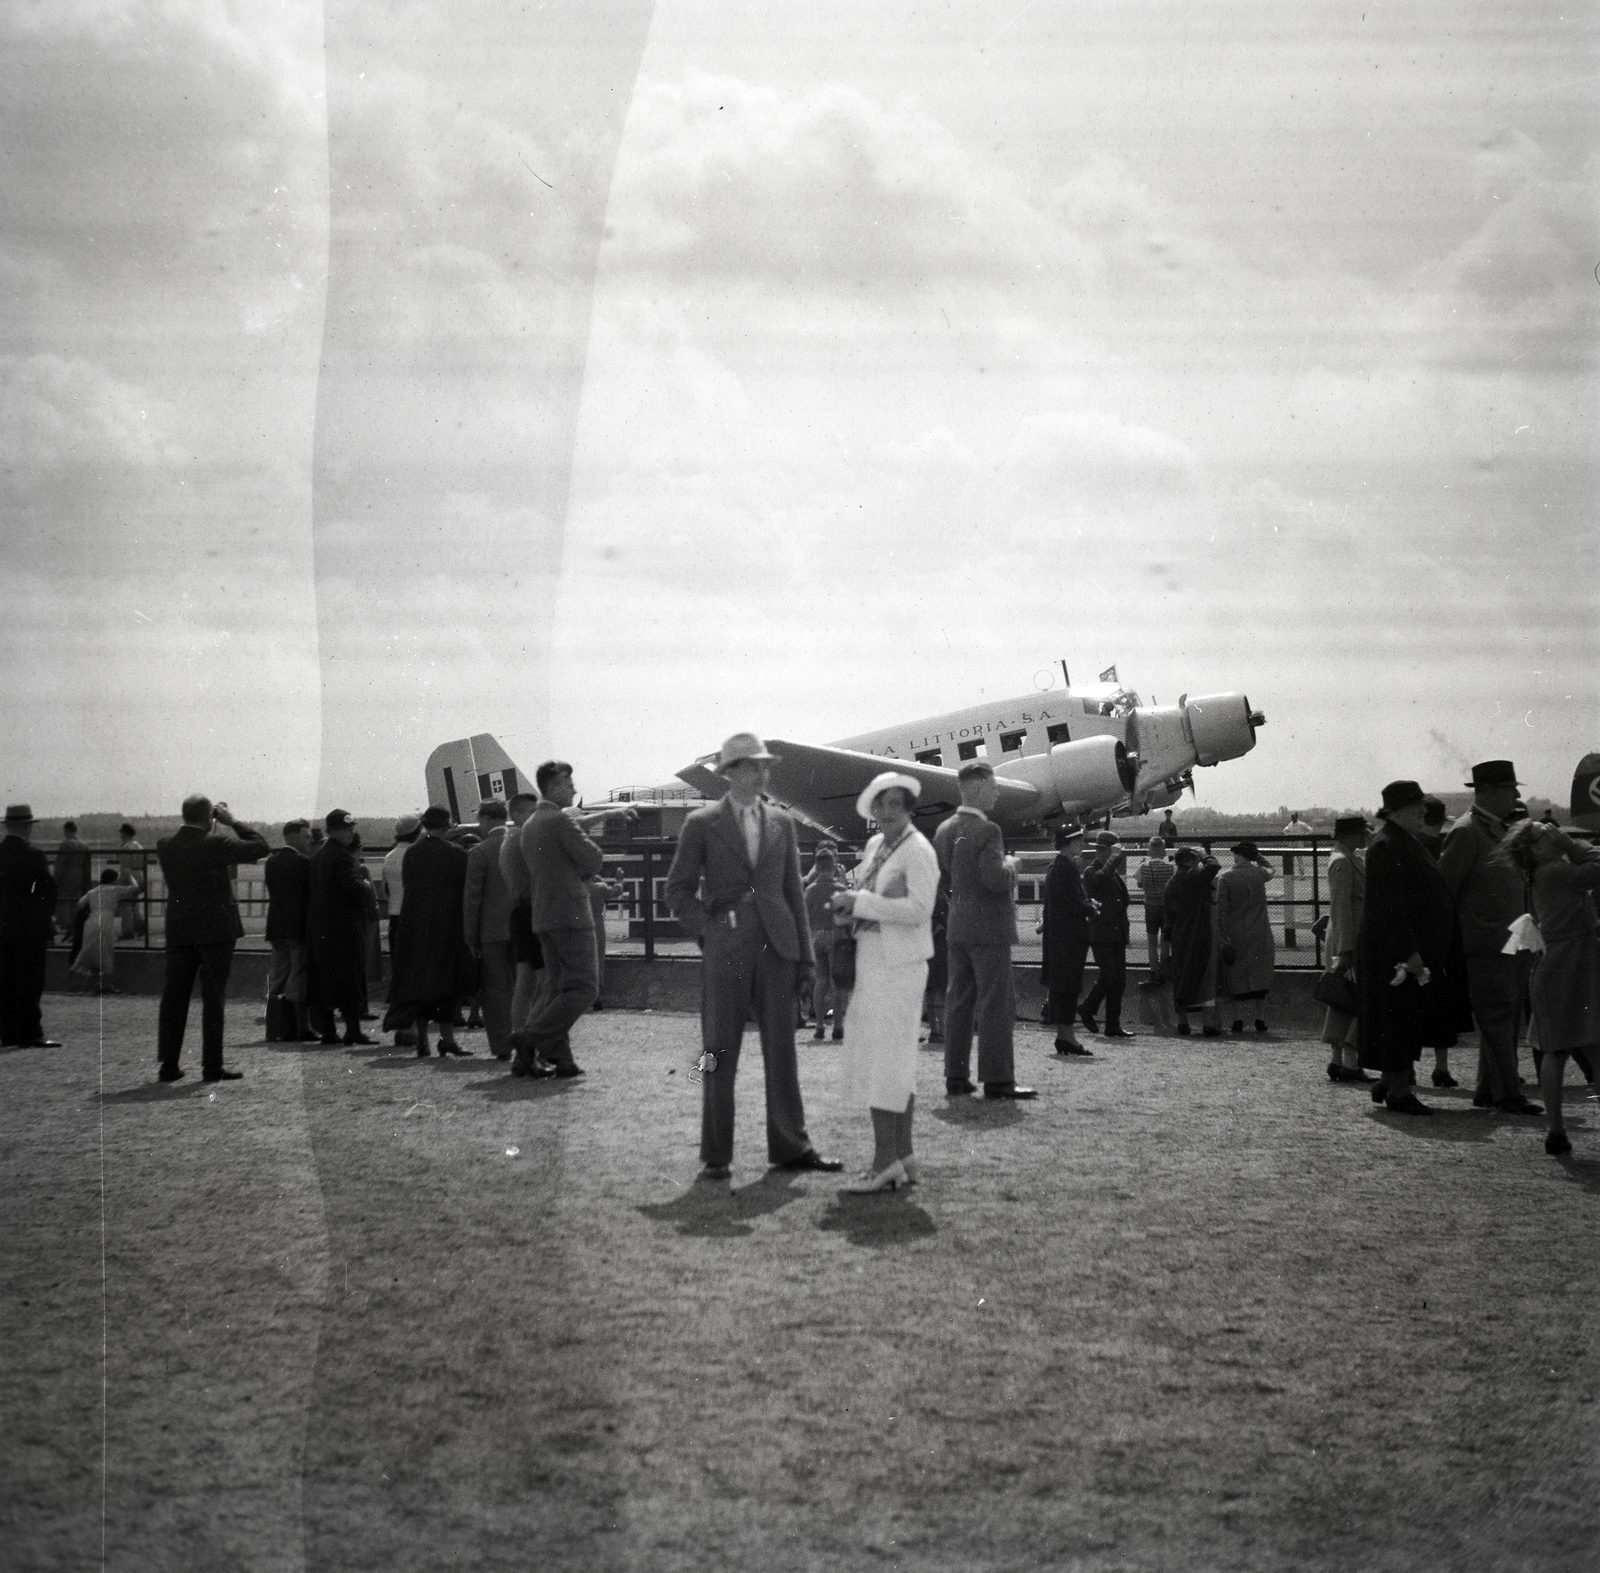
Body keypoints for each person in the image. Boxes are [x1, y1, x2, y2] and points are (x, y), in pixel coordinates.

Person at [663, 733, 841, 1179]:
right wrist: (709, 930)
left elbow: (793, 894)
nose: (764, 773)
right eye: (754, 765)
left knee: (783, 1049)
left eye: (766, 766)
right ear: (732, 772)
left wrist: (805, 956)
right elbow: (678, 890)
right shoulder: (701, 823)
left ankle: (791, 1146)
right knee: (717, 1049)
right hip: (727, 952)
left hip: (778, 949)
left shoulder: (782, 822)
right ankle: (716, 1154)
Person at [828, 773, 940, 1192]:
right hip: (872, 959)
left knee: (886, 1061)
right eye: (881, 804)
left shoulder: (919, 849)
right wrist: (849, 910)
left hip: (903, 964)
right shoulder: (877, 846)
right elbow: (876, 901)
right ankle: (904, 1154)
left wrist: (861, 902)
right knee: (889, 1059)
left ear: (910, 809)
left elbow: (919, 909)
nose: (888, 812)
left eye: (897, 804)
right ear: (872, 809)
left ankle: (884, 1161)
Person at [1356, 781, 1475, 1115]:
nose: (1424, 811)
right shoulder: (1387, 845)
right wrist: (1410, 953)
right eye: (1417, 805)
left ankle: (1392, 1082)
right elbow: (1390, 907)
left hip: (1407, 951)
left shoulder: (1403, 841)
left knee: (1406, 1019)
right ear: (1398, 810)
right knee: (1397, 1019)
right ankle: (1397, 1090)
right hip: (1396, 956)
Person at [1440, 760, 1542, 1114]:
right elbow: (1445, 890)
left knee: (1505, 1018)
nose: (1515, 796)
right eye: (1509, 789)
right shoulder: (1467, 831)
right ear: (1487, 792)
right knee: (1499, 1017)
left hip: (1511, 943)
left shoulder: (1494, 829)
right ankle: (1508, 1094)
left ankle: (1488, 1089)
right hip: (1485, 945)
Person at [934, 759, 1034, 1099]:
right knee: (995, 1003)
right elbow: (994, 880)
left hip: (957, 926)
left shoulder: (944, 829)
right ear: (976, 788)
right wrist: (1012, 865)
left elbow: (944, 880)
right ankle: (998, 1079)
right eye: (992, 786)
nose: (996, 792)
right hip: (989, 929)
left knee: (958, 1002)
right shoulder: (988, 831)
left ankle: (956, 1076)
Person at [155, 796, 270, 1082]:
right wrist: (231, 821)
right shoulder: (216, 843)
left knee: (174, 998)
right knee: (213, 999)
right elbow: (260, 846)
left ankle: (169, 1065)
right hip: (216, 930)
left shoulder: (165, 845)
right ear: (210, 816)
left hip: (180, 929)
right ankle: (212, 1066)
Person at [1503, 821, 1600, 1155]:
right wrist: (1571, 843)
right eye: (1547, 832)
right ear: (1538, 849)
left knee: (1556, 1050)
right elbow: (1597, 867)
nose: (1554, 831)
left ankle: (1556, 1130)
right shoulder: (1556, 871)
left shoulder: (1543, 873)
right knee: (1590, 1046)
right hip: (1573, 968)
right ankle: (1555, 1130)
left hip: (1559, 968)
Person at [507, 762, 603, 1078]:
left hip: (544, 916)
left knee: (555, 989)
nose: (574, 789)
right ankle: (529, 1039)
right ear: (556, 785)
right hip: (572, 915)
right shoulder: (559, 820)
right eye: (569, 783)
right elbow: (592, 859)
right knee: (585, 988)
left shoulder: (532, 822)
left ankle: (558, 1059)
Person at [391, 805, 474, 1057]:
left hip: (415, 926)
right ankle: (447, 1039)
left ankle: (423, 1041)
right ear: (447, 826)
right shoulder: (457, 853)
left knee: (420, 984)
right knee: (447, 985)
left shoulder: (412, 853)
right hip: (448, 927)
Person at [305, 809, 377, 1047]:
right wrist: (367, 886)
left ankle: (328, 1031)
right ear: (334, 831)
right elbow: (354, 888)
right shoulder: (344, 857)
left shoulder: (318, 855)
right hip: (344, 928)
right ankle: (353, 1031)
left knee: (323, 980)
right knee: (350, 979)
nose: (351, 832)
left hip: (320, 927)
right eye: (347, 829)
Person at [0, 805, 60, 1048]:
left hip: (3, 927)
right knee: (30, 981)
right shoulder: (33, 854)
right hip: (30, 928)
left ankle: (8, 1032)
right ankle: (30, 1031)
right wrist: (45, 915)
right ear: (27, 826)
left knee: (6, 979)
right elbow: (48, 890)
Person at [1320, 815, 1372, 1083]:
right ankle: (1349, 1062)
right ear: (1351, 834)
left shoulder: (1347, 858)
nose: (1366, 837)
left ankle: (1338, 1061)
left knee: (1343, 1000)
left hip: (1348, 939)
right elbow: (1341, 908)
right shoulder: (1343, 861)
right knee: (1352, 1000)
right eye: (1362, 832)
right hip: (1349, 940)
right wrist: (1346, 949)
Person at [464, 800, 516, 1060]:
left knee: (495, 991)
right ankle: (526, 1042)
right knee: (524, 988)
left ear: (485, 819)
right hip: (523, 929)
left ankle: (502, 1046)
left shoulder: (479, 852)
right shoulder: (520, 845)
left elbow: (472, 898)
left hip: (491, 932)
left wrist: (470, 936)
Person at [499, 793, 548, 1056]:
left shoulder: (511, 840)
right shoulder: (523, 839)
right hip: (533, 912)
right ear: (516, 815)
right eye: (531, 812)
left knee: (525, 983)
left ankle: (521, 1043)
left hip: (520, 914)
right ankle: (528, 1038)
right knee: (549, 984)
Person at [1039, 822, 1093, 1056]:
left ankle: (1064, 1036)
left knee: (1062, 988)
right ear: (1069, 842)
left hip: (1058, 938)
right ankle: (1067, 1037)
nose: (1082, 844)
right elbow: (1072, 905)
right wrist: (1089, 908)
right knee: (1069, 988)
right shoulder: (1067, 868)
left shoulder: (1055, 867)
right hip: (1069, 939)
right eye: (1078, 840)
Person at [1215, 840, 1276, 1033]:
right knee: (1261, 975)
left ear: (1238, 855)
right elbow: (1270, 868)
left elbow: (1221, 910)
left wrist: (1224, 935)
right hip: (1260, 931)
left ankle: (1237, 1019)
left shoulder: (1226, 877)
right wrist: (1258, 857)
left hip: (1235, 932)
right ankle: (1260, 1018)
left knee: (1235, 976)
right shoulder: (1260, 874)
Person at [1080, 830, 1134, 1040]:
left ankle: (1113, 1025)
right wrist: (1112, 860)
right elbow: (1097, 883)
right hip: (1101, 933)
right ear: (1103, 851)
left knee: (1118, 981)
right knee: (1109, 975)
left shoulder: (1114, 876)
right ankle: (1087, 1008)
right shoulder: (1091, 871)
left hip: (1116, 933)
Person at [264, 820, 315, 1040]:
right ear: (292, 837)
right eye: (306, 836)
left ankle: (275, 1027)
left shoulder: (271, 862)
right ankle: (300, 1027)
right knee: (298, 975)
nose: (310, 840)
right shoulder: (304, 863)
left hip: (276, 926)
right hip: (298, 927)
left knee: (278, 977)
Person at [1165, 846, 1222, 1036]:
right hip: (1200, 932)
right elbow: (1214, 866)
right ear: (1188, 861)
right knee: (1205, 977)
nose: (1198, 861)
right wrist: (1205, 855)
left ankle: (1183, 1022)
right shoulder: (1195, 876)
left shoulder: (1171, 883)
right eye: (1195, 858)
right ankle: (1208, 1024)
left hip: (1179, 935)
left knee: (1182, 978)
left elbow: (1168, 916)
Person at [804, 843, 851, 1041]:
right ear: (833, 866)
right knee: (837, 983)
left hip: (816, 936)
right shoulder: (840, 889)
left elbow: (805, 917)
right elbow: (847, 919)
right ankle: (838, 1025)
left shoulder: (810, 890)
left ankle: (820, 1025)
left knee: (820, 981)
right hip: (836, 935)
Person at [72, 867, 139, 992]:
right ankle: (106, 985)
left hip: (91, 920)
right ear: (114, 879)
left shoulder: (93, 891)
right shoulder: (115, 890)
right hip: (106, 920)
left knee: (89, 948)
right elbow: (135, 887)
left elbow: (80, 903)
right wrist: (130, 876)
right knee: (106, 951)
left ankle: (82, 979)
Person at [1137, 836, 1174, 983]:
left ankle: (1153, 971)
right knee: (1165, 941)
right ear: (1164, 852)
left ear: (1149, 851)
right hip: (1166, 906)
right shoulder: (1171, 868)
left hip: (1150, 906)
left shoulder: (1143, 867)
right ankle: (1164, 971)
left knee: (1151, 941)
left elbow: (1140, 884)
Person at [54, 820, 92, 960]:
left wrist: (55, 879)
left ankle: (69, 928)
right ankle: (74, 930)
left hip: (67, 877)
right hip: (80, 877)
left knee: (64, 904)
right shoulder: (84, 845)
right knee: (76, 904)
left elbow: (60, 864)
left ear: (66, 830)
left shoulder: (65, 845)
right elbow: (87, 866)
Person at [115, 823, 146, 938]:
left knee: (125, 905)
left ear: (125, 833)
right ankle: (141, 926)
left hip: (129, 874)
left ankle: (128, 931)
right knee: (134, 904)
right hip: (139, 874)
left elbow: (125, 866)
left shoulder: (125, 847)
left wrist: (121, 882)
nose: (120, 835)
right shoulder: (138, 845)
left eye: (121, 833)